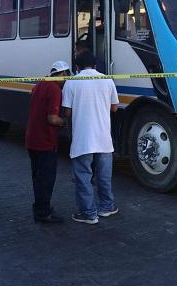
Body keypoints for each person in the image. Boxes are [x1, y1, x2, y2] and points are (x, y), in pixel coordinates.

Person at [62, 50, 119, 224]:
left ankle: (88, 214)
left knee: (83, 177)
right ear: (95, 64)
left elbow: (67, 112)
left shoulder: (72, 82)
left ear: (77, 66)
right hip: (103, 139)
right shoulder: (107, 80)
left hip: (83, 140)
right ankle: (106, 207)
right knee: (104, 176)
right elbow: (115, 108)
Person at [24, 60, 71, 224]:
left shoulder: (40, 84)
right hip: (46, 142)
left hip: (32, 139)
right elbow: (52, 118)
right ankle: (43, 213)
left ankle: (39, 208)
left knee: (37, 177)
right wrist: (64, 122)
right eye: (67, 76)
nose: (66, 80)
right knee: (46, 179)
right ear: (62, 74)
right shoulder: (55, 89)